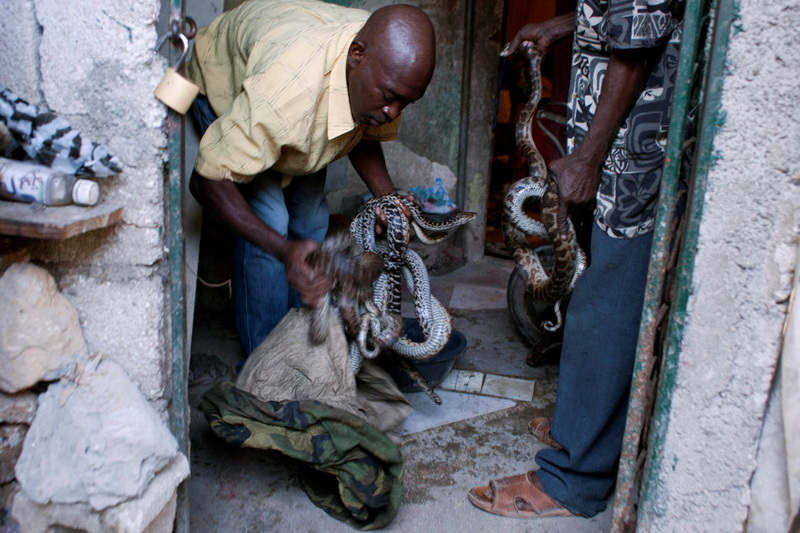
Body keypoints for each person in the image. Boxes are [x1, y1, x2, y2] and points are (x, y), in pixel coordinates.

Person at [468, 0, 684, 518]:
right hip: (603, 138)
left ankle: (575, 478)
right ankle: (584, 425)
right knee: (585, 283)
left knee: (605, 295)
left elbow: (637, 41)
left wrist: (589, 156)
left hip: (629, 147)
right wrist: (561, 25)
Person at [185, 0, 436, 356]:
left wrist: (386, 198)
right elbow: (207, 180)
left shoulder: (384, 75)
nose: (393, 112)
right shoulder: (286, 93)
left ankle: (301, 335)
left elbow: (364, 128)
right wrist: (282, 248)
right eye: (390, 98)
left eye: (406, 103)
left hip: (293, 106)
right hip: (224, 82)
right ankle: (267, 364)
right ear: (356, 56)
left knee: (311, 219)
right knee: (271, 220)